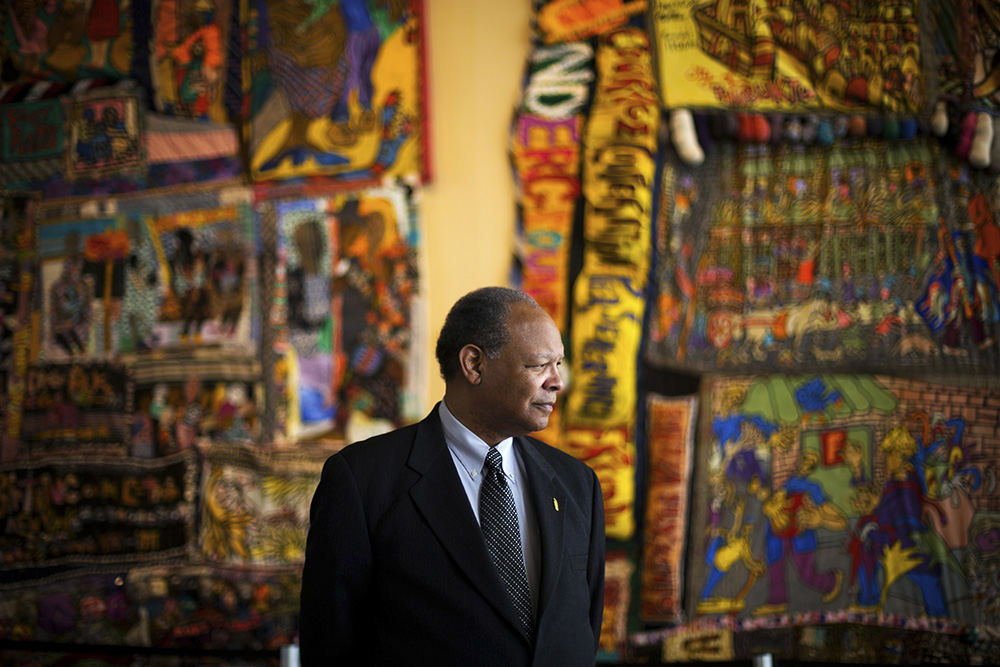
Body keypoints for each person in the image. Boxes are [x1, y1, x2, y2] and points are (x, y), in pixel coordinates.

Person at [300, 286, 605, 665]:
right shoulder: (362, 481)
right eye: (538, 365)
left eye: (559, 364)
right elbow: (330, 646)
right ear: (474, 365)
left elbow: (583, 628)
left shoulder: (578, 484)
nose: (557, 381)